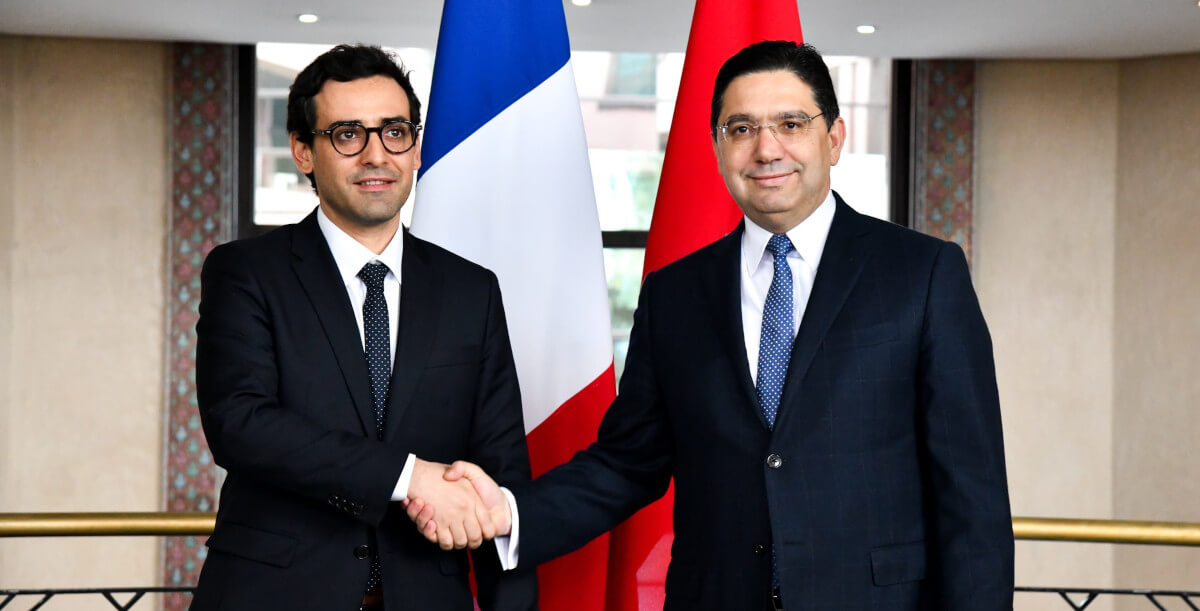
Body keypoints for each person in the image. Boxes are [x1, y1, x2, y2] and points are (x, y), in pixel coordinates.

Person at [411, 41, 1014, 610]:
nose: (767, 149)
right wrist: (510, 513)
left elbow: (971, 493)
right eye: (742, 128)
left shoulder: (924, 274)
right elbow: (628, 462)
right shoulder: (675, 294)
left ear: (834, 137)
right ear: (718, 144)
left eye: (791, 124)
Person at [191, 44, 537, 611]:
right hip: (275, 595)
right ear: (303, 151)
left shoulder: (471, 290)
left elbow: (501, 473)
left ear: (417, 146)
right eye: (348, 135)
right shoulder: (245, 272)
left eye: (395, 132)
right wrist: (409, 477)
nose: (376, 155)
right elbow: (241, 423)